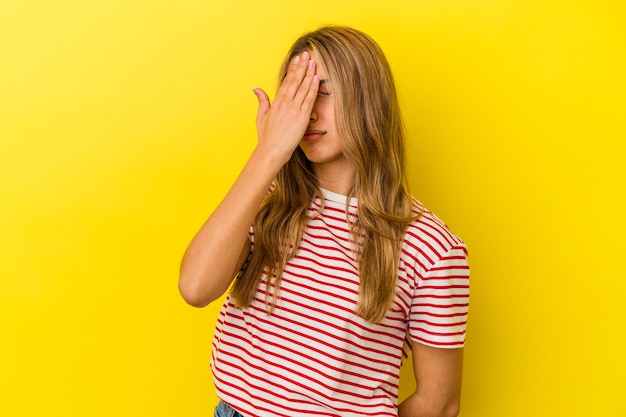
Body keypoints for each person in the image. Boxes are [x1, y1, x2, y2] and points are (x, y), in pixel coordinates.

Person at [179, 26, 469, 417]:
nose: (309, 112)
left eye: (325, 92)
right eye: (296, 96)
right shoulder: (267, 205)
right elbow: (195, 288)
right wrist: (268, 154)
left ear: (369, 99)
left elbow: (439, 402)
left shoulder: (431, 247)